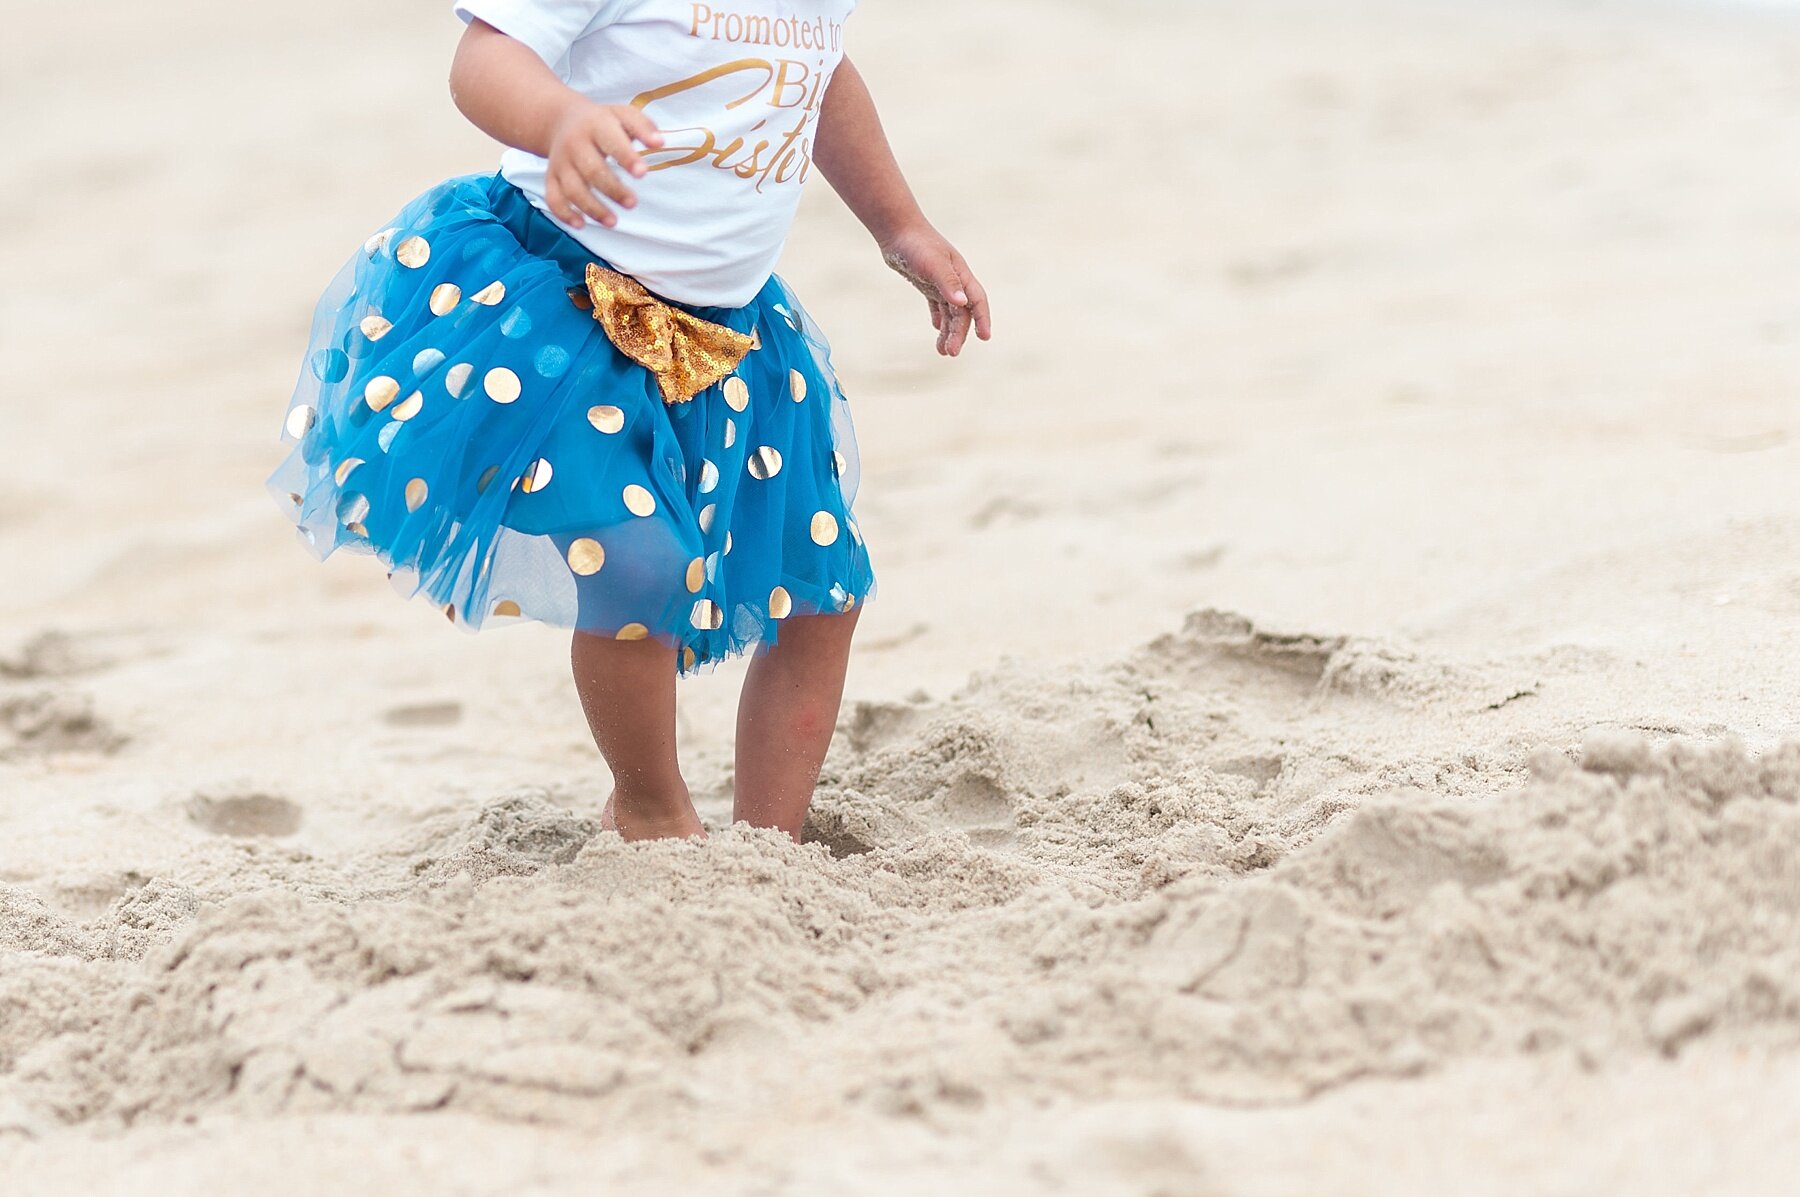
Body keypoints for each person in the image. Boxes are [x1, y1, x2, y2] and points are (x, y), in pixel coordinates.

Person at [268, 0, 991, 842]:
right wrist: (560, 117)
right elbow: (484, 57)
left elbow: (821, 77)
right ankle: (651, 807)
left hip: (736, 337)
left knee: (822, 595)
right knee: (636, 569)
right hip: (567, 312)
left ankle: (770, 845)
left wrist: (901, 226)